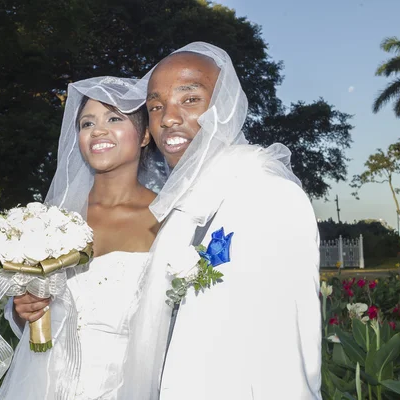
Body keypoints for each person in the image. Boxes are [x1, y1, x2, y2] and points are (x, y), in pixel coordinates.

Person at [119, 42, 322, 399]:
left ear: (225, 108)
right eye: (156, 106)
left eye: (190, 99)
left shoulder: (270, 196)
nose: (168, 118)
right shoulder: (179, 208)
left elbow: (288, 354)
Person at [0, 76, 165, 400]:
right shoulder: (51, 219)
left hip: (124, 386)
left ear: (145, 134)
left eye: (114, 118)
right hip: (43, 382)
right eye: (87, 123)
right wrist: (25, 308)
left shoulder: (165, 219)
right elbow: (26, 313)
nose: (98, 130)